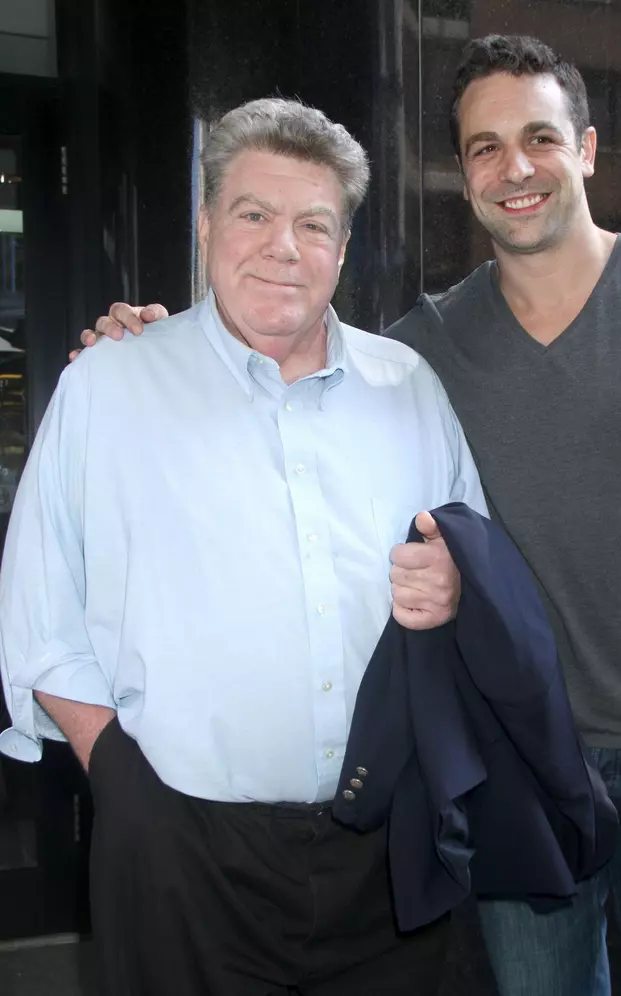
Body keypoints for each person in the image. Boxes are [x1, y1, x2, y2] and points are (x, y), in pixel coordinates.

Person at [85, 36, 621, 996]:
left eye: (539, 138)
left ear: (586, 150)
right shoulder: (425, 350)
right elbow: (288, 365)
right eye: (485, 148)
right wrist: (151, 344)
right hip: (514, 752)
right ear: (464, 175)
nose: (515, 168)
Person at [0, 97, 488, 996]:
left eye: (314, 224)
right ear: (205, 225)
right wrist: (123, 783)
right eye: (254, 214)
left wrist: (457, 586)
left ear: (344, 246)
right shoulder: (110, 384)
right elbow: (39, 610)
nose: (283, 247)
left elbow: (475, 567)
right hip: (179, 851)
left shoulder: (410, 388)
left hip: (385, 854)